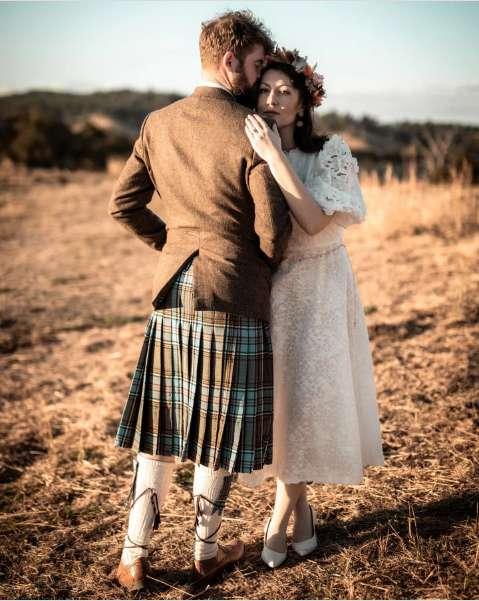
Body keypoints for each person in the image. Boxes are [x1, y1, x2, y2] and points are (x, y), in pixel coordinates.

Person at [108, 12, 291, 592]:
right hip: (231, 289)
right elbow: (274, 230)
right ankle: (205, 554)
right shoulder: (251, 128)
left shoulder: (158, 122)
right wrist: (255, 265)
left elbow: (123, 204)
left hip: (172, 291)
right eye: (257, 64)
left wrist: (172, 244)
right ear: (230, 59)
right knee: (218, 428)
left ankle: (133, 558)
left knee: (159, 426)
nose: (259, 77)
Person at [241, 48, 384, 568]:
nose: (273, 99)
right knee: (286, 406)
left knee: (308, 403)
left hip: (322, 286)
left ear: (303, 103)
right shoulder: (247, 150)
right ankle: (304, 517)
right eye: (265, 90)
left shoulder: (330, 152)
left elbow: (313, 222)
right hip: (276, 290)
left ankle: (277, 523)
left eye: (285, 91)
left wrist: (275, 155)